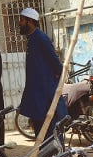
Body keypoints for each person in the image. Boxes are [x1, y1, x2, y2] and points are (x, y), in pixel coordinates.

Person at [18, 8, 67, 139]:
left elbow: (56, 65)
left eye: (22, 20)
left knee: (52, 135)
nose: (19, 23)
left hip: (46, 98)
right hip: (37, 98)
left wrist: (51, 81)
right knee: (42, 136)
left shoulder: (41, 38)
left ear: (30, 21)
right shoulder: (32, 39)